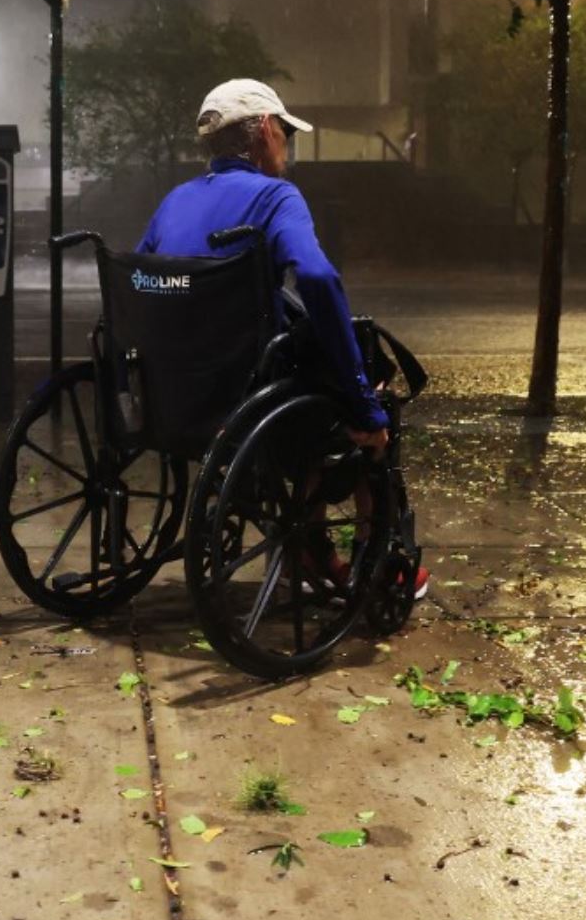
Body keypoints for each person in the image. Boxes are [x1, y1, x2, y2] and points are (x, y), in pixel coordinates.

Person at [137, 78, 427, 600]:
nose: (287, 146)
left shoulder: (174, 200)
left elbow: (141, 284)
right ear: (267, 131)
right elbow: (316, 280)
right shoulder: (275, 197)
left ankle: (309, 552)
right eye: (285, 134)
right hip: (246, 395)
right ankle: (367, 559)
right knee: (367, 397)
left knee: (316, 369)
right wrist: (364, 404)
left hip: (174, 396)